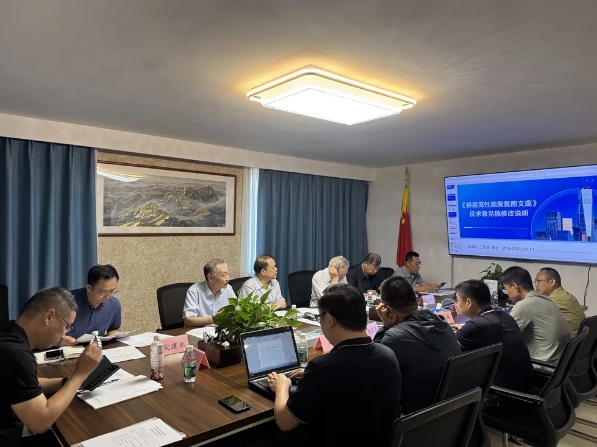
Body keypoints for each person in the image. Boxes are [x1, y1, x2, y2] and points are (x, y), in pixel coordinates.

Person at [267, 284, 401, 447]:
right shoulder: (388, 355)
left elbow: (284, 422)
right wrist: (311, 375)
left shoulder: (323, 367)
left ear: (330, 320)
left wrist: (282, 386)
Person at [0, 287, 102, 447]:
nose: (64, 334)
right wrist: (80, 374)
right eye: (67, 326)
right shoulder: (16, 354)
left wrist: (66, 382)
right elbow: (40, 422)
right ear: (49, 316)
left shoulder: (8, 332)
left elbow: (24, 383)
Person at [374, 276, 460, 414]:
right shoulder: (441, 322)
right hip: (451, 410)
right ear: (415, 298)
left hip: (416, 416)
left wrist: (385, 326)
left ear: (388, 309)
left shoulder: (396, 337)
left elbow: (375, 368)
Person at [453, 279, 532, 393]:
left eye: (458, 300)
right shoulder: (505, 317)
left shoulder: (475, 326)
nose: (457, 304)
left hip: (501, 395)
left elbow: (449, 350)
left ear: (469, 302)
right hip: (524, 387)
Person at [502, 266, 570, 365]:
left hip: (542, 367)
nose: (507, 293)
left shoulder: (523, 306)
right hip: (560, 364)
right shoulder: (546, 299)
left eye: (505, 289)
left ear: (515, 286)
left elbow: (504, 338)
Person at [61, 264, 122, 346]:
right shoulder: (64, 301)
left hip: (95, 349)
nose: (108, 296)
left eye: (112, 291)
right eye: (104, 292)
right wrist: (58, 341)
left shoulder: (114, 304)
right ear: (89, 288)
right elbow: (46, 333)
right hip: (66, 349)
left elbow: (114, 329)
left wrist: (114, 335)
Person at [183, 259, 235, 327]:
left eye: (228, 274)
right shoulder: (194, 291)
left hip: (221, 331)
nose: (228, 279)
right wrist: (216, 318)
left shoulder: (228, 289)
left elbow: (235, 311)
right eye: (224, 275)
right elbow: (189, 321)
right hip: (199, 331)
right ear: (210, 278)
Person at [534, 267, 586, 336]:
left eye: (539, 281)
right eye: (535, 281)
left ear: (552, 282)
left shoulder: (554, 299)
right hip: (578, 339)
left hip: (568, 340)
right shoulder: (565, 295)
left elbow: (532, 314)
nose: (536, 285)